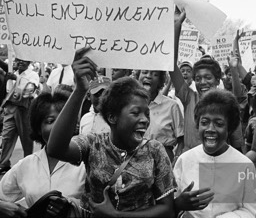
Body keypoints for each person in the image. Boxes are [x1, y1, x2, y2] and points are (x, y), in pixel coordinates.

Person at [47, 47, 176, 217]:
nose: (145, 119)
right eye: (135, 112)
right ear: (113, 117)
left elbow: (167, 209)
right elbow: (55, 148)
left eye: (146, 113)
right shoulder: (93, 144)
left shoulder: (155, 150)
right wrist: (79, 91)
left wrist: (117, 216)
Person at [173, 89, 256, 218]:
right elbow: (172, 203)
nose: (210, 129)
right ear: (197, 124)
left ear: (229, 128)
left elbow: (252, 211)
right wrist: (179, 206)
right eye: (204, 122)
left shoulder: (244, 165)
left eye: (219, 124)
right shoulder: (185, 160)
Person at [0, 91, 85, 217]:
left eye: (63, 120)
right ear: (38, 128)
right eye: (50, 121)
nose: (58, 127)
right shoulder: (26, 165)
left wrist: (72, 206)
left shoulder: (86, 162)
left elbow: (102, 207)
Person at [170, 11, 243, 152]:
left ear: (217, 80)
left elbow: (238, 145)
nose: (202, 82)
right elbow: (171, 64)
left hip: (217, 165)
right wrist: (177, 25)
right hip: (190, 163)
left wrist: (234, 70)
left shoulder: (226, 103)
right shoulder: (189, 97)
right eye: (197, 79)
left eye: (208, 78)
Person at [0, 58, 39, 174]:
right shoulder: (12, 73)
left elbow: (28, 91)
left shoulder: (33, 75)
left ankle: (28, 162)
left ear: (29, 62)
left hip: (24, 109)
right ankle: (4, 163)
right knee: (7, 136)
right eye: (19, 60)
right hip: (11, 109)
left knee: (26, 137)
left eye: (24, 61)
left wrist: (17, 79)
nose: (21, 62)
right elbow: (7, 91)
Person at [137, 69, 185, 162]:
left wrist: (176, 160)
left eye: (155, 74)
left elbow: (181, 139)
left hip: (163, 161)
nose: (148, 76)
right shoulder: (130, 104)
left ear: (160, 81)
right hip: (136, 161)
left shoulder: (171, 106)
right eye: (144, 72)